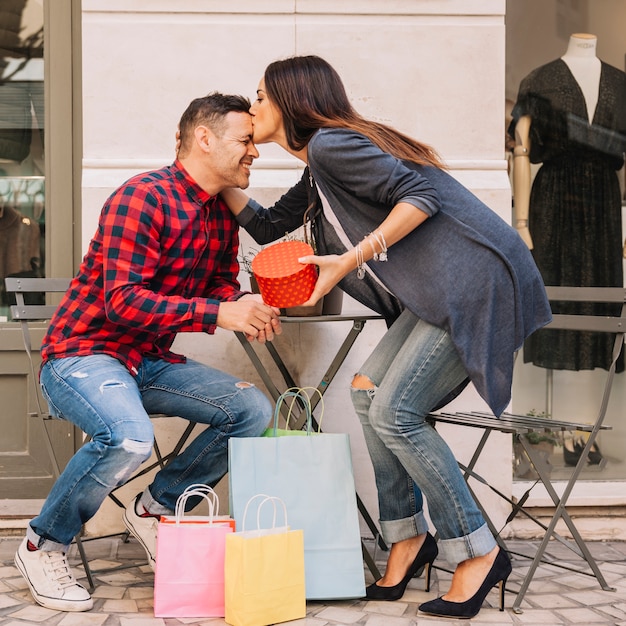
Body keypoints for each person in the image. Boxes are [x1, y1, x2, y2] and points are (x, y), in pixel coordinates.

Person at [221, 55, 552, 619]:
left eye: (259, 96)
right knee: (368, 392)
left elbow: (419, 197)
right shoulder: (319, 167)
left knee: (395, 411)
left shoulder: (331, 146)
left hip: (475, 280)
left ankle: (478, 549)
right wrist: (218, 176)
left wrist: (351, 256)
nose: (253, 109)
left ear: (290, 99)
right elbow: (270, 226)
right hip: (444, 290)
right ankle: (407, 537)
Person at [14, 92, 282, 613]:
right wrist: (216, 314)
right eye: (246, 140)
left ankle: (155, 506)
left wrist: (244, 302)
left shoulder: (219, 214)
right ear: (204, 138)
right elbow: (122, 302)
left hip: (147, 361)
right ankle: (41, 544)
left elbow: (222, 285)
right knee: (131, 438)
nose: (256, 152)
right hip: (82, 355)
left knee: (252, 410)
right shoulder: (143, 197)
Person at [508, 33, 626, 373]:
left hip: (604, 200)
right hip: (555, 195)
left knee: (603, 287)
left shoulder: (620, 84)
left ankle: (598, 365)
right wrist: (522, 223)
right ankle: (551, 371)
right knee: (555, 281)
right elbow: (522, 151)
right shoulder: (539, 80)